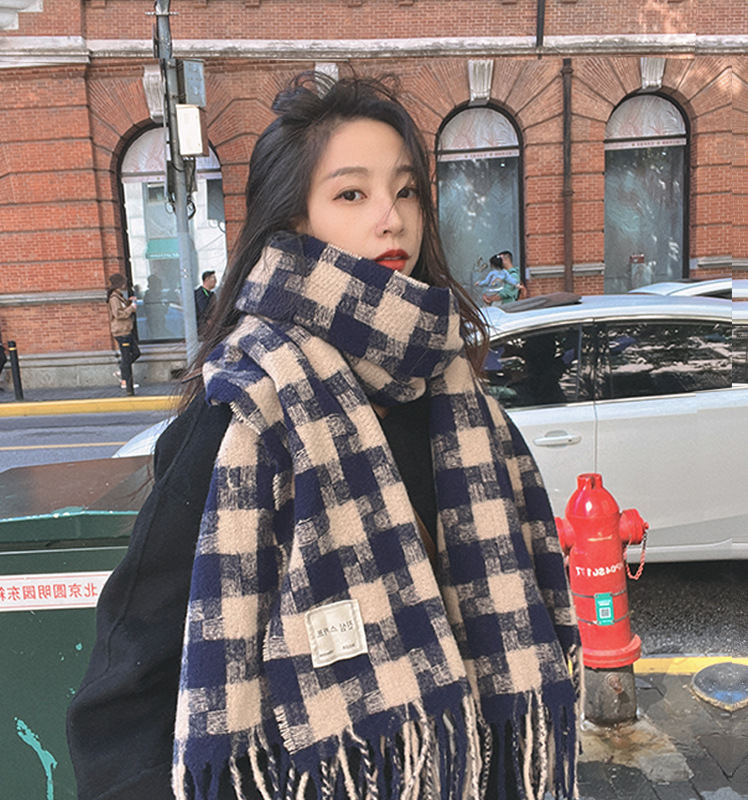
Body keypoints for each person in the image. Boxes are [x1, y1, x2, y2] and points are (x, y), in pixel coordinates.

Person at [68, 73, 580, 800]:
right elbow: (129, 680)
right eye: (352, 194)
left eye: (406, 190)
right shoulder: (246, 412)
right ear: (295, 220)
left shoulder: (457, 396)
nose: (391, 219)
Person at [106, 273, 140, 394]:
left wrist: (129, 303)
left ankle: (122, 372)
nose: (125, 284)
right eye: (123, 282)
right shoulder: (114, 298)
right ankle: (126, 382)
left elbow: (122, 308)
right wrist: (132, 308)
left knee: (135, 353)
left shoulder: (119, 296)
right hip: (121, 331)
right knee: (126, 357)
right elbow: (119, 314)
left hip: (126, 330)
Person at [194, 270, 217, 335]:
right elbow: (202, 309)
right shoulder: (200, 293)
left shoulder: (211, 294)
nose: (215, 281)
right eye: (213, 278)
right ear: (206, 280)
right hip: (203, 326)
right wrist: (208, 319)